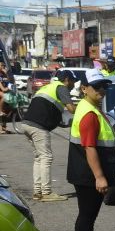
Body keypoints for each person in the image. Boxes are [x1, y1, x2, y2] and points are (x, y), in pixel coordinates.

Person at [67, 69, 115, 231]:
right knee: (87, 216)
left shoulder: (89, 107)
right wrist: (99, 176)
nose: (101, 90)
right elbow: (90, 147)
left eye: (103, 86)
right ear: (84, 88)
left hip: (84, 172)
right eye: (96, 87)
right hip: (88, 175)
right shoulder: (89, 113)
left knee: (87, 215)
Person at [17, 69, 77, 201]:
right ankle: (46, 192)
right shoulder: (61, 87)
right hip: (38, 126)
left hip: (27, 123)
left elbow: (49, 109)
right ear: (67, 79)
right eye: (73, 81)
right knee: (46, 157)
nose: (73, 85)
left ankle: (38, 192)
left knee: (39, 158)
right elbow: (72, 109)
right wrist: (83, 106)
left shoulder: (48, 87)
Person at [0, 64, 13, 134]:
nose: (3, 67)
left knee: (7, 110)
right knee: (4, 96)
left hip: (4, 92)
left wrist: (6, 73)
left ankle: (3, 128)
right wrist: (7, 88)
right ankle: (0, 110)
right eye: (1, 65)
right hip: (2, 92)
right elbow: (3, 89)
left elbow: (10, 81)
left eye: (4, 66)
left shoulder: (4, 75)